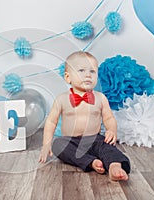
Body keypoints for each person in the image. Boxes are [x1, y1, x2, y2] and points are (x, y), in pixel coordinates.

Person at [38, 51, 130, 181]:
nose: (88, 75)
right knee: (57, 145)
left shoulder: (100, 98)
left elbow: (108, 118)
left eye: (92, 71)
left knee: (108, 147)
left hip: (95, 139)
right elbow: (51, 122)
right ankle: (91, 162)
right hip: (70, 140)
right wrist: (46, 144)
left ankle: (115, 166)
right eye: (81, 70)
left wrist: (111, 130)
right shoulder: (62, 99)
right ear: (68, 77)